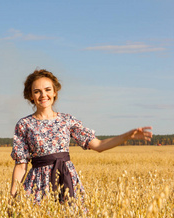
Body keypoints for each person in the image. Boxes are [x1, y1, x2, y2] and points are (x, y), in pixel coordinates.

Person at [10, 69, 152, 203]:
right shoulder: (24, 124)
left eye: (47, 90)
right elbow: (21, 166)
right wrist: (12, 197)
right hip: (37, 184)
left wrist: (126, 136)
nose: (43, 95)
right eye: (37, 91)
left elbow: (99, 145)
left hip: (67, 180)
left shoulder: (67, 120)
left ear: (54, 92)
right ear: (30, 96)